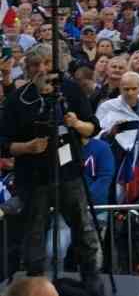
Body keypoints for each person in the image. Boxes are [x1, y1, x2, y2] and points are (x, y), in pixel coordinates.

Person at [0, 45, 102, 291]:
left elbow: (93, 128)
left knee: (83, 229)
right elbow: (4, 144)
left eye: (46, 63)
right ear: (28, 68)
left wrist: (76, 123)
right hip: (33, 178)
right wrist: (27, 147)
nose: (42, 69)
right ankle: (37, 285)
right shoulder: (18, 98)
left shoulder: (69, 90)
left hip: (69, 172)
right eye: (35, 65)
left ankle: (92, 279)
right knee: (34, 234)